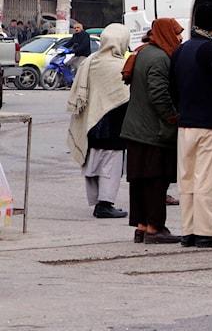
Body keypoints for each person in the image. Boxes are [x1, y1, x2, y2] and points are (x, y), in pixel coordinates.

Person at [170, 3, 212, 249]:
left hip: (186, 124)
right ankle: (207, 232)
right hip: (210, 124)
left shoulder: (181, 50)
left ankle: (188, 230)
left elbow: (173, 89)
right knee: (207, 179)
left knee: (187, 179)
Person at [121, 18, 184, 244]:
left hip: (137, 129)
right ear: (167, 33)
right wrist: (172, 118)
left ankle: (141, 226)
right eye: (177, 33)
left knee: (140, 180)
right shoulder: (159, 58)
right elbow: (158, 93)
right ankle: (155, 227)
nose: (180, 38)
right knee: (156, 180)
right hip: (152, 131)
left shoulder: (144, 52)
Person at [66, 23, 131, 220]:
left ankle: (97, 201)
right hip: (113, 124)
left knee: (92, 162)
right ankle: (105, 204)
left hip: (91, 122)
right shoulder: (121, 66)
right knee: (110, 165)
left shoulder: (90, 62)